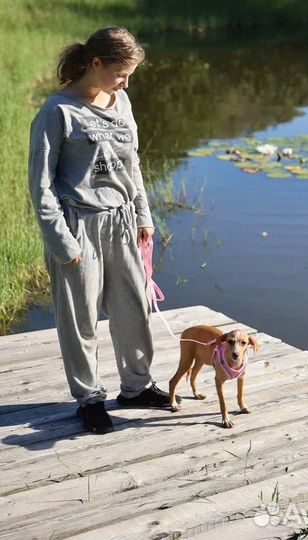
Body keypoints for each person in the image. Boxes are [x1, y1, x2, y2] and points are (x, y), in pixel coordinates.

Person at [28, 26, 181, 434]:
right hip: (79, 226)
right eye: (120, 73)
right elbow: (40, 184)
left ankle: (136, 386)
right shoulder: (57, 111)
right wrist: (62, 240)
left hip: (124, 223)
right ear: (94, 64)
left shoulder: (122, 101)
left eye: (129, 74)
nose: (126, 82)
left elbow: (132, 167)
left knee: (134, 307)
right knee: (80, 318)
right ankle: (90, 398)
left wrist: (145, 218)